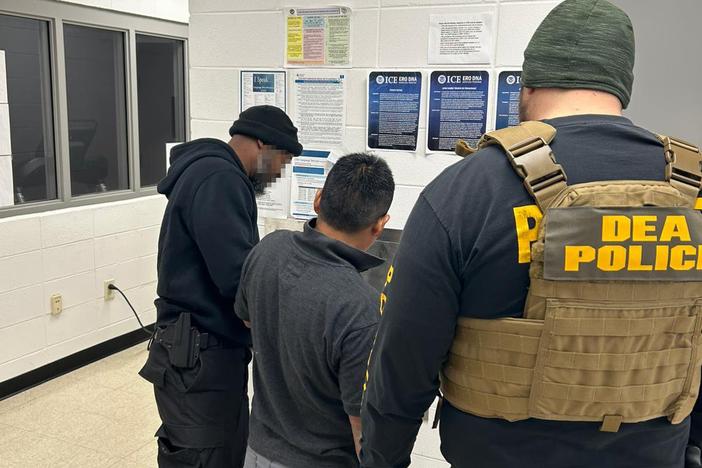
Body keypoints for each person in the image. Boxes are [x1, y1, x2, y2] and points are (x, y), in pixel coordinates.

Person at [360, 1, 702, 467]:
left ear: (529, 83)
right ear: (621, 85)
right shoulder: (692, 192)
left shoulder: (467, 191)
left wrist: (383, 459)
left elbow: (401, 368)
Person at [139, 105, 302, 468]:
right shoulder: (219, 178)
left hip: (194, 351)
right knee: (209, 456)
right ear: (262, 143)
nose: (279, 171)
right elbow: (236, 280)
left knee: (218, 447)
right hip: (199, 356)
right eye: (282, 159)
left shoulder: (208, 171)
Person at [235, 153, 395, 468]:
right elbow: (359, 423)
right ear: (379, 225)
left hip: (256, 451)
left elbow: (247, 318)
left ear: (318, 200)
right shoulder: (361, 309)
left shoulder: (269, 249)